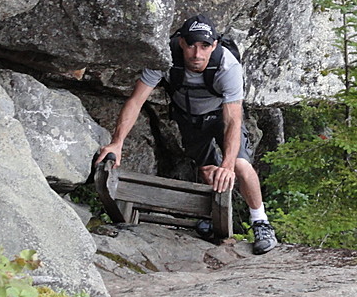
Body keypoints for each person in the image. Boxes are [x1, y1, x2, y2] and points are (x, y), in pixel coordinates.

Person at [95, 14, 277, 255]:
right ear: (181, 42)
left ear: (214, 45)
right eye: (191, 45)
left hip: (220, 117)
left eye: (204, 46)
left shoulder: (227, 66)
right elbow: (136, 100)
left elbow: (233, 119)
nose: (197, 54)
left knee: (241, 166)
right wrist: (117, 143)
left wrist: (228, 163)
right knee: (206, 170)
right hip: (188, 118)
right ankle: (215, 218)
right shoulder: (165, 58)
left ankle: (260, 222)